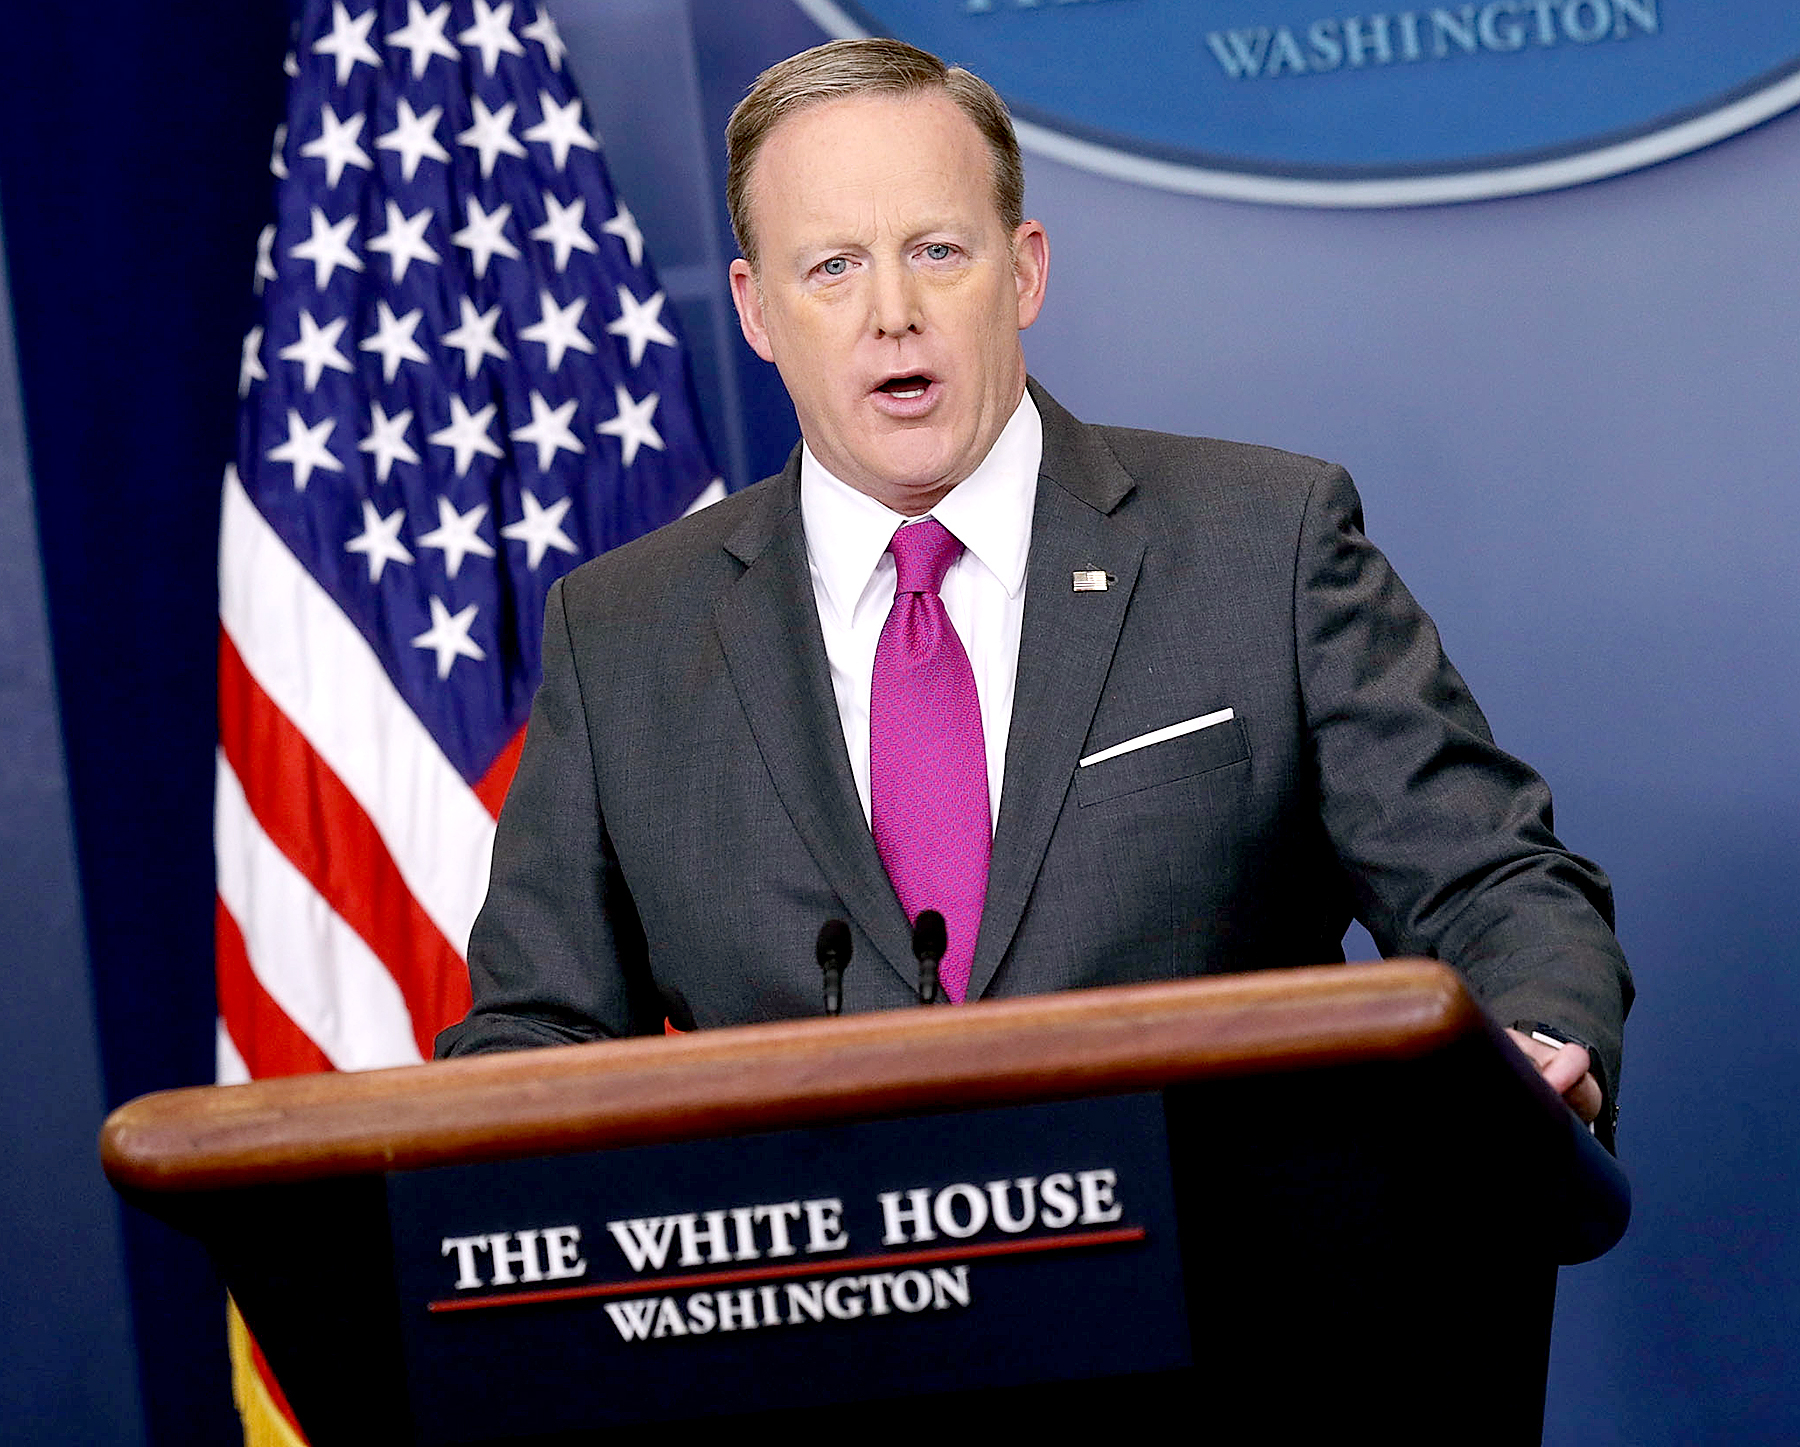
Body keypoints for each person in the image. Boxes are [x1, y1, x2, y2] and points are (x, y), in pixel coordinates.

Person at [437, 38, 1631, 1144]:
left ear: (1024, 270)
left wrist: (1541, 1030)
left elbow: (1492, 886)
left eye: (936, 251)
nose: (890, 312)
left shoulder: (1262, 544)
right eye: (833, 267)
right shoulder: (622, 639)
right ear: (755, 309)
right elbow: (538, 1033)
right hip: (823, 1341)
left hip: (1236, 1311)